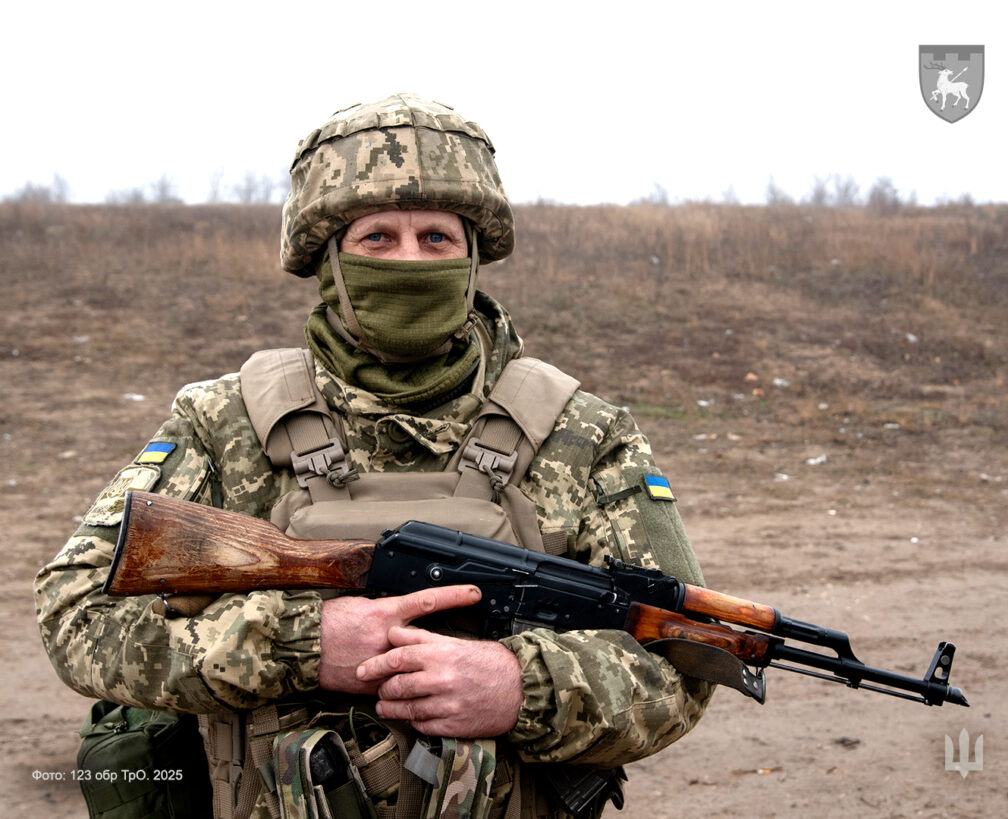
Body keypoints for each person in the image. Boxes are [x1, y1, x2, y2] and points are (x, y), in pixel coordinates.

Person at [35, 93, 714, 819]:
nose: (410, 260)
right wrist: (300, 642)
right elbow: (76, 614)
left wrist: (520, 685)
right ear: (328, 256)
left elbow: (681, 668)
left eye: (436, 238)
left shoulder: (583, 434)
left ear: (474, 254)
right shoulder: (223, 423)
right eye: (378, 237)